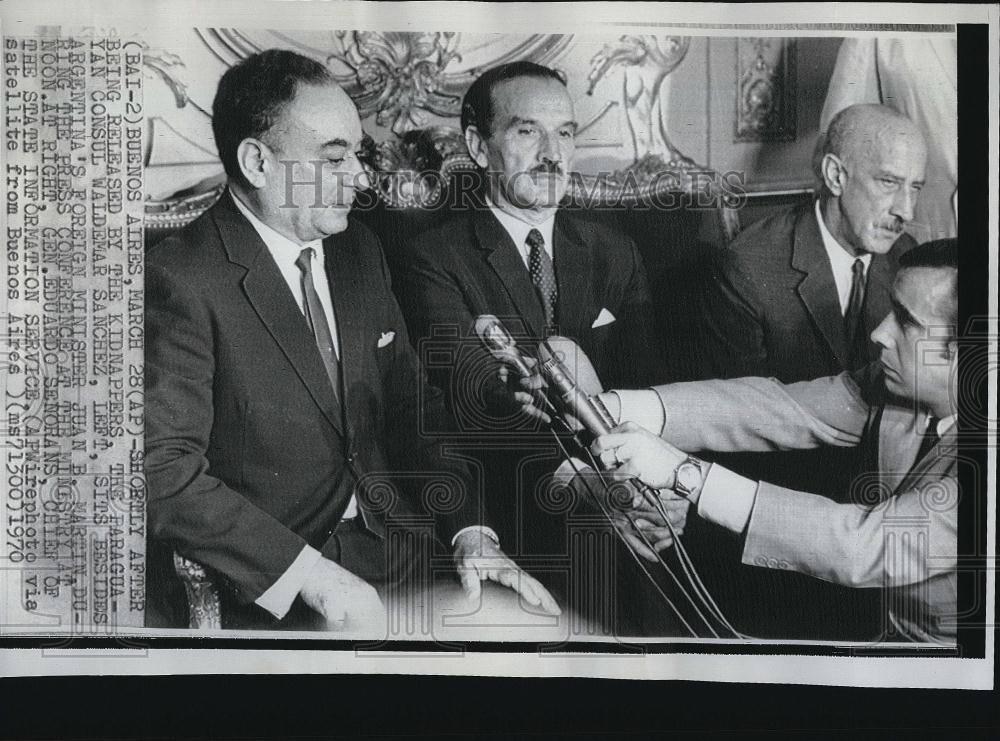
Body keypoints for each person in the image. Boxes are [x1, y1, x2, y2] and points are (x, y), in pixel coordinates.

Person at [145, 49, 558, 631]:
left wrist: (472, 534)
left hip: (402, 545)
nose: (361, 178)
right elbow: (162, 471)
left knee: (537, 641)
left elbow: (413, 410)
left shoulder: (359, 251)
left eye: (357, 156)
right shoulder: (180, 278)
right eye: (333, 159)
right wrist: (308, 576)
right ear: (257, 162)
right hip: (275, 582)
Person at [390, 61, 670, 633]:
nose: (553, 152)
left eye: (565, 132)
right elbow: (475, 401)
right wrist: (585, 481)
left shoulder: (613, 250)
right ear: (478, 145)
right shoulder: (434, 258)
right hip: (519, 493)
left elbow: (653, 389)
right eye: (527, 131)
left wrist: (655, 482)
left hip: (629, 479)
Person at [592, 239, 959, 643]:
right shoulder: (897, 383)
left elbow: (861, 546)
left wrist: (684, 474)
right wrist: (615, 405)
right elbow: (775, 407)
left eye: (906, 321)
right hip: (870, 622)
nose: (880, 332)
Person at [692, 103, 929, 638]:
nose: (906, 209)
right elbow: (738, 430)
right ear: (835, 175)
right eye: (890, 183)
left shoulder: (907, 259)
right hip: (781, 534)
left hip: (880, 530)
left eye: (916, 187)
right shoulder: (749, 269)